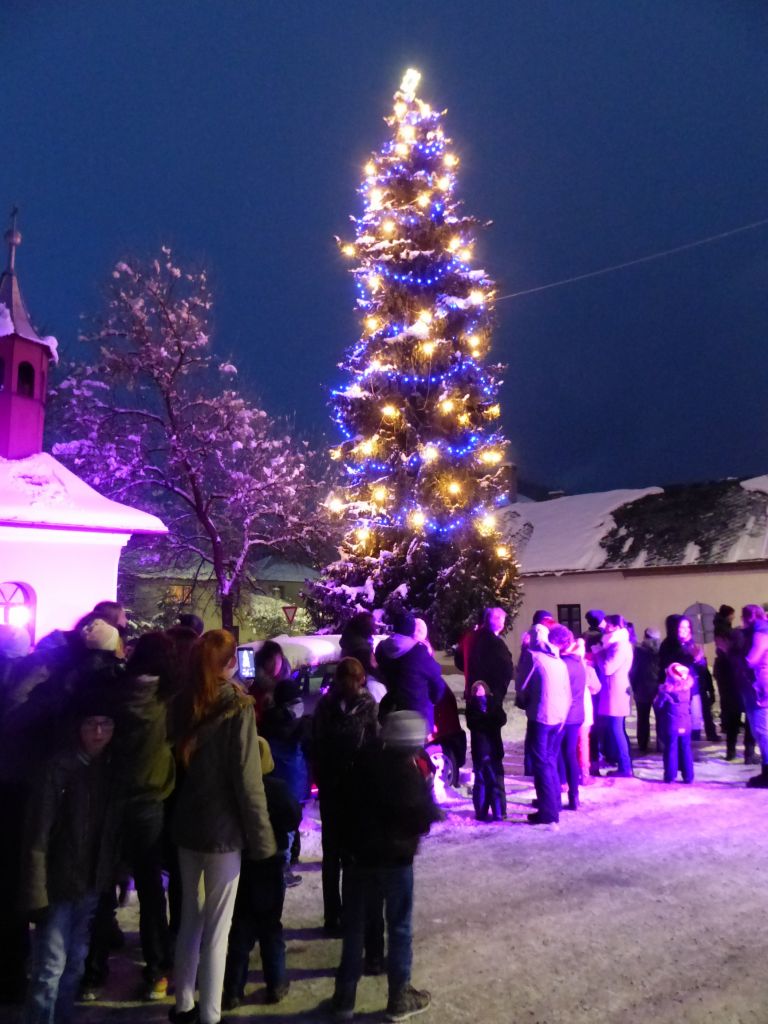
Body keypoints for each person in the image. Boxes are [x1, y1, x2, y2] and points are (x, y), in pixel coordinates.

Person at [170, 629, 276, 1024]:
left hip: (188, 823)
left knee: (190, 919)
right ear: (230, 663)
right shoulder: (237, 707)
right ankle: (210, 1014)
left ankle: (183, 1003)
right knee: (218, 928)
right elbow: (248, 780)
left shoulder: (183, 701)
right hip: (223, 830)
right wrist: (263, 841)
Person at [20, 688, 124, 1024]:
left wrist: (115, 874)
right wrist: (36, 892)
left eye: (106, 724)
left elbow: (111, 831)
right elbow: (37, 835)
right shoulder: (58, 769)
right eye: (91, 724)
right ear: (78, 726)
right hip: (58, 884)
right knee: (49, 968)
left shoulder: (111, 768)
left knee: (75, 962)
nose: (98, 732)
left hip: (89, 883)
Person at [330, 711, 440, 1022]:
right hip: (395, 862)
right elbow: (419, 818)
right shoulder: (407, 773)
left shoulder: (362, 761)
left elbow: (341, 806)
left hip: (359, 859)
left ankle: (344, 997)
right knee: (399, 927)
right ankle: (399, 996)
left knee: (355, 929)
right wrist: (430, 812)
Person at [117, 632, 177, 1000]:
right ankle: (157, 968)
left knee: (102, 884)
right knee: (152, 889)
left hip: (112, 799)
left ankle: (92, 970)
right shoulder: (167, 699)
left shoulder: (118, 692)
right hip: (151, 800)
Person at [222, 737, 301, 1008]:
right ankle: (276, 983)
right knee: (270, 927)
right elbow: (293, 817)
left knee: (239, 930)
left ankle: (233, 990)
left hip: (241, 864)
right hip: (270, 864)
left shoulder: (233, 789)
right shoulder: (276, 789)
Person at [312, 657, 379, 935]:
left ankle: (349, 913)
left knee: (349, 855)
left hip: (355, 788)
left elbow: (373, 743)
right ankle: (333, 915)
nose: (350, 684)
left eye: (353, 679)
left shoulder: (367, 706)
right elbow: (317, 743)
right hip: (334, 788)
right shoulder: (327, 706)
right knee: (333, 856)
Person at [516, 624, 571, 825]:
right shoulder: (559, 661)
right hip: (559, 718)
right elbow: (567, 691)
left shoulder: (533, 657)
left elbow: (521, 685)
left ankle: (548, 813)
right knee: (550, 760)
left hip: (541, 717)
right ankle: (554, 803)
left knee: (540, 763)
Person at [259, 677, 310, 887]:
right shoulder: (301, 723)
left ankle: (283, 861)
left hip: (274, 778)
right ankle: (283, 868)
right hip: (294, 779)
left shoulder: (268, 719)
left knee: (278, 823)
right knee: (289, 825)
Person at [376, 610, 445, 735]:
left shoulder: (381, 649)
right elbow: (436, 680)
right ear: (412, 630)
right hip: (417, 717)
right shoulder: (418, 652)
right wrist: (433, 700)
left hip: (390, 710)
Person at [554, 631, 599, 810]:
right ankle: (574, 797)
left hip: (563, 716)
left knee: (557, 753)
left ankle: (556, 795)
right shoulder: (579, 663)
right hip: (576, 715)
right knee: (570, 754)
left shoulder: (562, 664)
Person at [658, 615, 718, 742]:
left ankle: (693, 741)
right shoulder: (669, 645)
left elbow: (701, 666)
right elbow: (672, 666)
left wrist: (699, 660)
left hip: (694, 685)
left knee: (696, 716)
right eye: (682, 627)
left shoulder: (689, 643)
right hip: (678, 689)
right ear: (674, 628)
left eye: (688, 627)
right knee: (680, 718)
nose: (686, 630)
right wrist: (693, 658)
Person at [594, 615, 634, 777]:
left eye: (609, 625)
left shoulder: (619, 645)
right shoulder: (617, 643)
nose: (605, 627)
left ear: (617, 627)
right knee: (616, 728)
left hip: (615, 692)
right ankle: (624, 764)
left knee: (616, 729)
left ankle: (625, 767)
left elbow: (607, 668)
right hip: (614, 690)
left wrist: (598, 653)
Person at [466, 681, 506, 821]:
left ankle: (483, 812)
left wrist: (486, 719)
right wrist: (490, 719)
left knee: (483, 782)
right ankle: (497, 812)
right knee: (493, 782)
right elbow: (500, 720)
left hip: (482, 750)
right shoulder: (493, 706)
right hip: (491, 749)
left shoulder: (473, 707)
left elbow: (473, 724)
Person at [741, 604, 768, 788]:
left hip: (761, 685)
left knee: (761, 729)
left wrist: (733, 654)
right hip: (760, 684)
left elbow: (752, 659)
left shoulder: (761, 632)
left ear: (750, 617)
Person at [465, 607, 514, 706]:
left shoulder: (473, 638)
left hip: (473, 690)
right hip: (489, 695)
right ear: (500, 624)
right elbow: (506, 668)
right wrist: (498, 692)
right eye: (503, 621)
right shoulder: (496, 644)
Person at [654, 662, 694, 783]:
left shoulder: (666, 692)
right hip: (686, 723)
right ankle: (688, 776)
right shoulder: (687, 690)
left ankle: (670, 775)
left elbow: (658, 706)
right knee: (686, 749)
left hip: (671, 724)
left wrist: (659, 697)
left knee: (671, 749)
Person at [630, 628, 661, 753]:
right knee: (661, 717)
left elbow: (634, 670)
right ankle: (661, 744)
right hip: (658, 688)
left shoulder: (639, 651)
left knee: (642, 717)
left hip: (642, 687)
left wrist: (633, 685)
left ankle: (643, 744)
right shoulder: (662, 650)